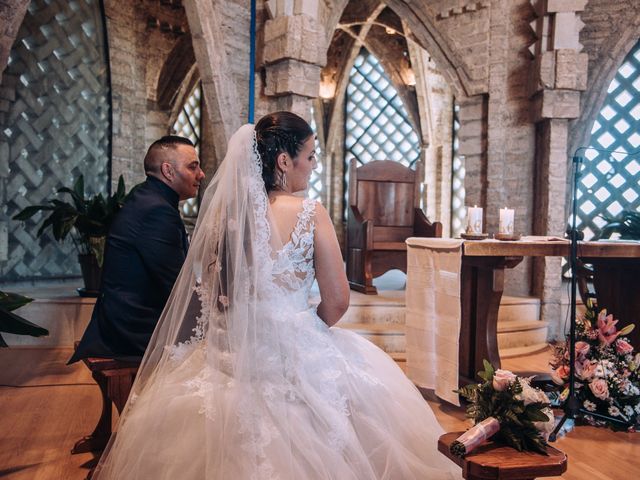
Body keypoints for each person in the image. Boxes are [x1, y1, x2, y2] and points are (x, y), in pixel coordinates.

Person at [92, 113, 460, 479]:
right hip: (290, 347)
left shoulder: (224, 217)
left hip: (229, 349)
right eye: (311, 156)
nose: (314, 166)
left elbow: (213, 293)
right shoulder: (310, 213)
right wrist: (301, 329)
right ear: (285, 161)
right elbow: (337, 301)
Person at [69, 135, 205, 363]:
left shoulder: (147, 197)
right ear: (168, 171)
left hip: (126, 318)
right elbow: (176, 287)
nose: (201, 174)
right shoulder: (157, 211)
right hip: (134, 330)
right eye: (193, 167)